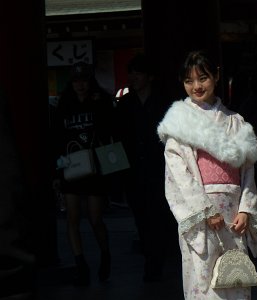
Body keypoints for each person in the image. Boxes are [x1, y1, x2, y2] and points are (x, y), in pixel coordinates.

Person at [157, 50, 257, 299]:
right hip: (201, 214)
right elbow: (180, 177)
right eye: (189, 81)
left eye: (203, 78)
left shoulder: (236, 121)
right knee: (204, 283)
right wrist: (205, 210)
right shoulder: (178, 123)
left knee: (235, 278)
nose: (196, 86)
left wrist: (246, 209)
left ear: (216, 76)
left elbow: (247, 170)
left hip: (233, 214)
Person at [113, 52, 175, 282]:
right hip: (133, 170)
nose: (133, 77)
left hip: (161, 169)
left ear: (150, 76)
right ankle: (151, 258)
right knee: (141, 216)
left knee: (160, 214)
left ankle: (157, 258)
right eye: (131, 72)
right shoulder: (125, 104)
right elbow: (117, 138)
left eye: (138, 72)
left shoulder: (165, 103)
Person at [52, 62, 113, 286]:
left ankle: (105, 254)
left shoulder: (101, 101)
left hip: (95, 167)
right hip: (70, 165)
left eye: (84, 80)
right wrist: (57, 172)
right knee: (72, 217)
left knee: (95, 218)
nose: (80, 85)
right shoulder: (64, 105)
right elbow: (57, 138)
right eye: (76, 80)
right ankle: (81, 264)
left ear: (90, 81)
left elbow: (109, 131)